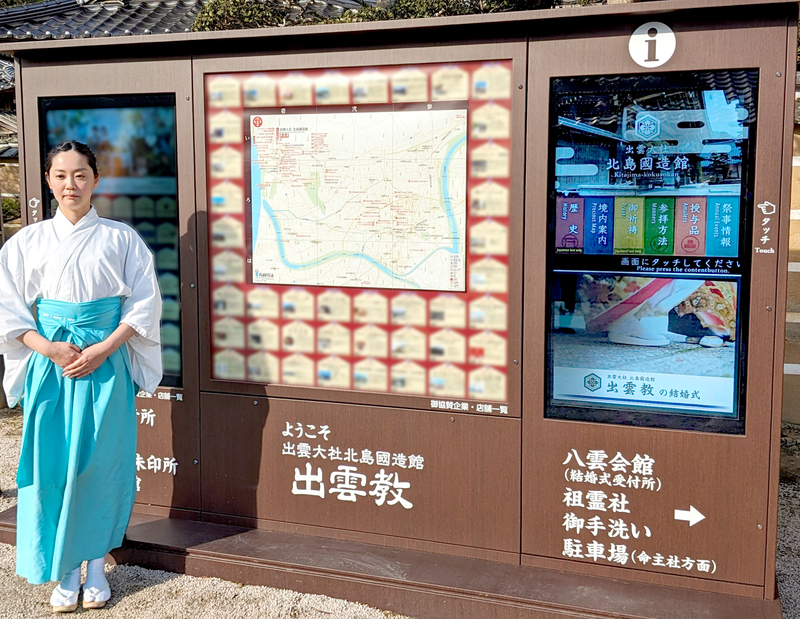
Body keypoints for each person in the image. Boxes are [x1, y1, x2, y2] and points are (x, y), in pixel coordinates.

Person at [0, 141, 162, 611]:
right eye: (61, 175)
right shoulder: (26, 242)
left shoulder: (120, 238)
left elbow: (144, 303)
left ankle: (94, 566)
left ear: (96, 180)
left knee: (100, 465)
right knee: (51, 465)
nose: (71, 184)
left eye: (80, 175)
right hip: (51, 365)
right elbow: (8, 308)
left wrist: (106, 348)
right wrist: (45, 347)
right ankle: (65, 567)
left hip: (103, 365)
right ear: (48, 181)